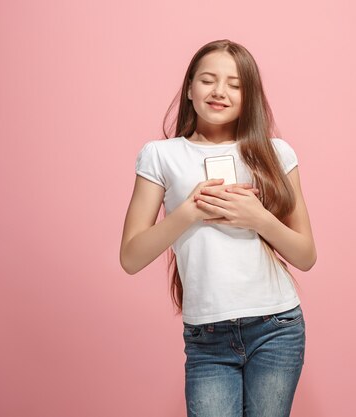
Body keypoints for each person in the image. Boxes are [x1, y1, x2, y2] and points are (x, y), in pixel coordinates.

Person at [120, 39, 316, 417]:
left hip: (277, 326)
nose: (220, 92)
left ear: (250, 95)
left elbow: (305, 255)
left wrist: (257, 218)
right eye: (208, 80)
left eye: (235, 84)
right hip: (207, 336)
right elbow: (130, 256)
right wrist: (188, 210)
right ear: (190, 88)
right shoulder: (161, 155)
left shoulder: (276, 153)